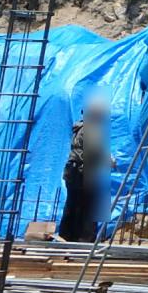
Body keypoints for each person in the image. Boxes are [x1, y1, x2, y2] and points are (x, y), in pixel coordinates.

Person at [58, 98, 115, 242]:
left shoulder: (79, 127)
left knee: (73, 204)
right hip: (83, 173)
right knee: (88, 207)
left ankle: (66, 236)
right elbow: (95, 151)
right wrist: (109, 160)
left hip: (72, 172)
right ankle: (85, 240)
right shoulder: (92, 129)